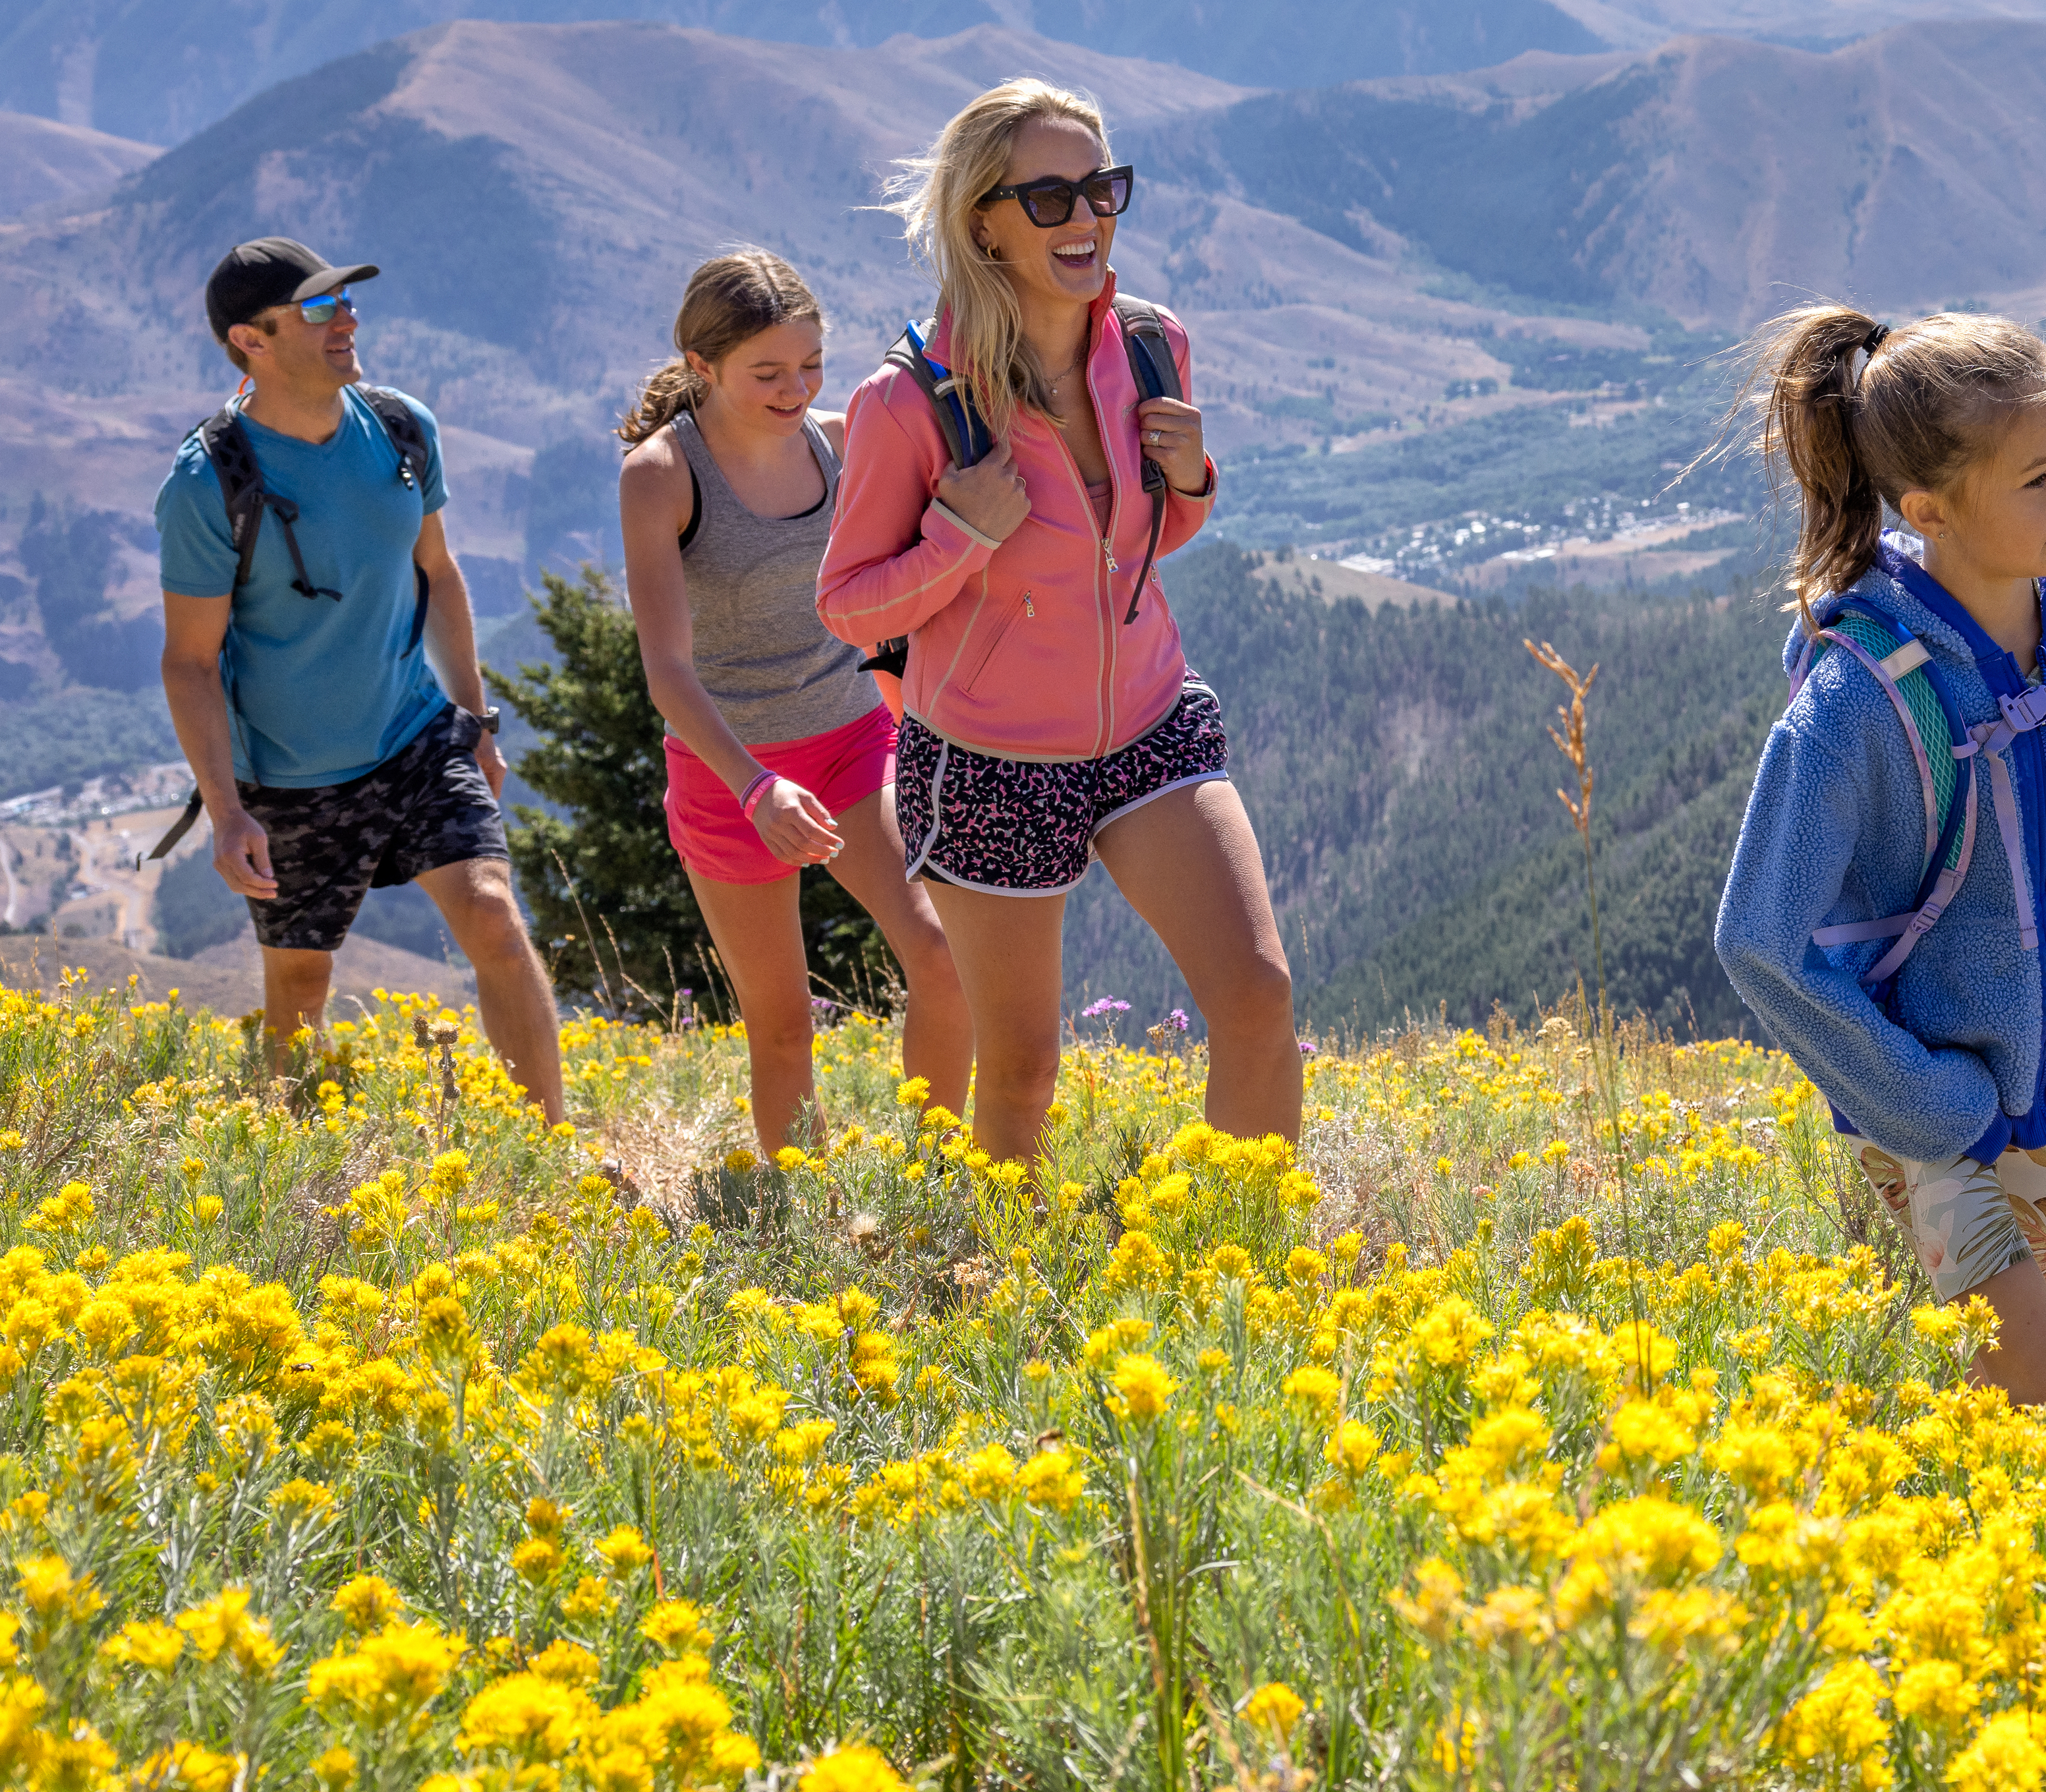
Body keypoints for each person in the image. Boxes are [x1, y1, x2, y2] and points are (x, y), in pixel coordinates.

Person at [1712, 306, 2046, 1408]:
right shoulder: (1864, 694)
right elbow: (1756, 938)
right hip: (1927, 1120)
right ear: (1929, 509)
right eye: (2036, 475)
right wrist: (1926, 1100)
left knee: (1984, 1404)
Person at [816, 78, 1299, 1163]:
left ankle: (1259, 1266)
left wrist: (1196, 480)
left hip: (1149, 718)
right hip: (989, 759)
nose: (1086, 220)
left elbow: (1130, 550)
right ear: (982, 217)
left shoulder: (1149, 346)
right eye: (1050, 198)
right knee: (1024, 1071)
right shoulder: (910, 403)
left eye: (1102, 190)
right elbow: (847, 600)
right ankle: (1004, 1295)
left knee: (1259, 994)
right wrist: (957, 536)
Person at [153, 239, 565, 1114]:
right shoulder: (207, 482)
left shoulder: (404, 428)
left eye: (345, 301)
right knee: (300, 992)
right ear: (250, 340)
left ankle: (551, 1156)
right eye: (316, 308)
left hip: (415, 735)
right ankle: (293, 1183)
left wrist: (476, 721)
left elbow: (439, 573)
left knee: (492, 913)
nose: (345, 318)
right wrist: (226, 811)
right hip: (290, 776)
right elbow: (189, 663)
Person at [617, 250, 971, 1153]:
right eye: (767, 372)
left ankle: (931, 1178)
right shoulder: (661, 474)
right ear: (703, 365)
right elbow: (667, 670)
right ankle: (802, 1234)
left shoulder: (839, 437)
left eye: (810, 364)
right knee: (780, 1027)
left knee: (942, 954)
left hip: (855, 737)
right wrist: (753, 787)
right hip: (727, 767)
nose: (796, 387)